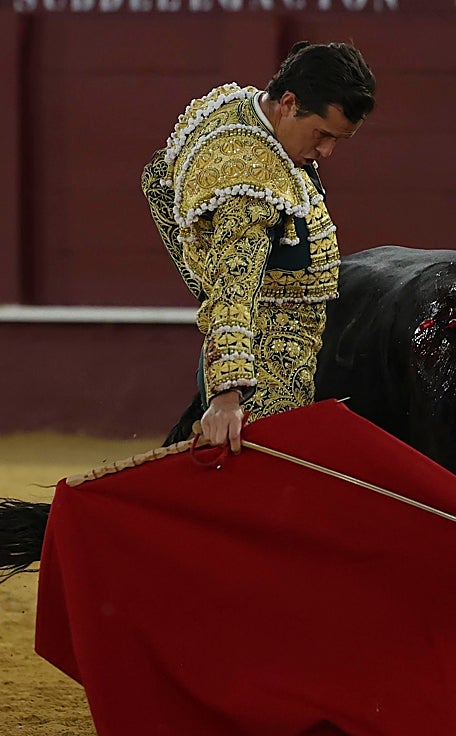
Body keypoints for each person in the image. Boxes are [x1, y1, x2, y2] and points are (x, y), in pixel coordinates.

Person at [142, 42, 376, 454]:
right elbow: (234, 288)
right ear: (288, 103)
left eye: (338, 140)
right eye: (321, 134)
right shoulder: (252, 184)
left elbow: (158, 179)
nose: (326, 151)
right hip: (269, 367)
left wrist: (199, 273)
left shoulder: (238, 113)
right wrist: (227, 397)